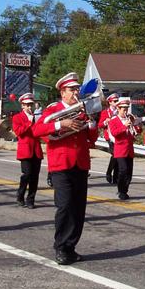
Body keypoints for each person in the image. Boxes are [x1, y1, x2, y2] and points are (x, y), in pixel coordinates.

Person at [34, 72, 98, 265]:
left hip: (80, 163)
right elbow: (37, 130)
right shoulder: (54, 109)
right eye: (72, 90)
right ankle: (61, 247)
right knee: (65, 207)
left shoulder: (83, 110)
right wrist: (61, 123)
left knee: (79, 209)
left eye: (77, 89)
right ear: (62, 92)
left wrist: (92, 122)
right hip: (61, 164)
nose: (76, 92)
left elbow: (91, 140)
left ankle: (71, 247)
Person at [12, 93, 44, 209]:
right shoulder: (17, 117)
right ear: (22, 106)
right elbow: (18, 131)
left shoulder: (36, 117)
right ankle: (20, 195)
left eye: (31, 104)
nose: (29, 107)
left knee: (35, 176)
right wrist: (29, 122)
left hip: (36, 149)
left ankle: (31, 200)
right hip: (25, 150)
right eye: (27, 105)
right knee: (27, 175)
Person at [108, 97, 142, 200]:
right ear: (118, 109)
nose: (126, 111)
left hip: (130, 150)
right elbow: (115, 133)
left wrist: (137, 126)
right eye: (123, 109)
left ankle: (125, 191)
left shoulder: (129, 119)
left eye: (127, 109)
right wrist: (124, 126)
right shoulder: (113, 120)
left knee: (129, 173)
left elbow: (135, 132)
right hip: (120, 150)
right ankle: (121, 190)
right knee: (123, 170)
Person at [98, 93, 120, 184]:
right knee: (115, 155)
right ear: (110, 102)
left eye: (117, 101)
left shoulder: (120, 111)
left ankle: (115, 177)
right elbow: (99, 125)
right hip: (110, 137)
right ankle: (108, 172)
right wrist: (105, 122)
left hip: (118, 136)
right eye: (115, 101)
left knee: (118, 156)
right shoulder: (105, 112)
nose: (117, 103)